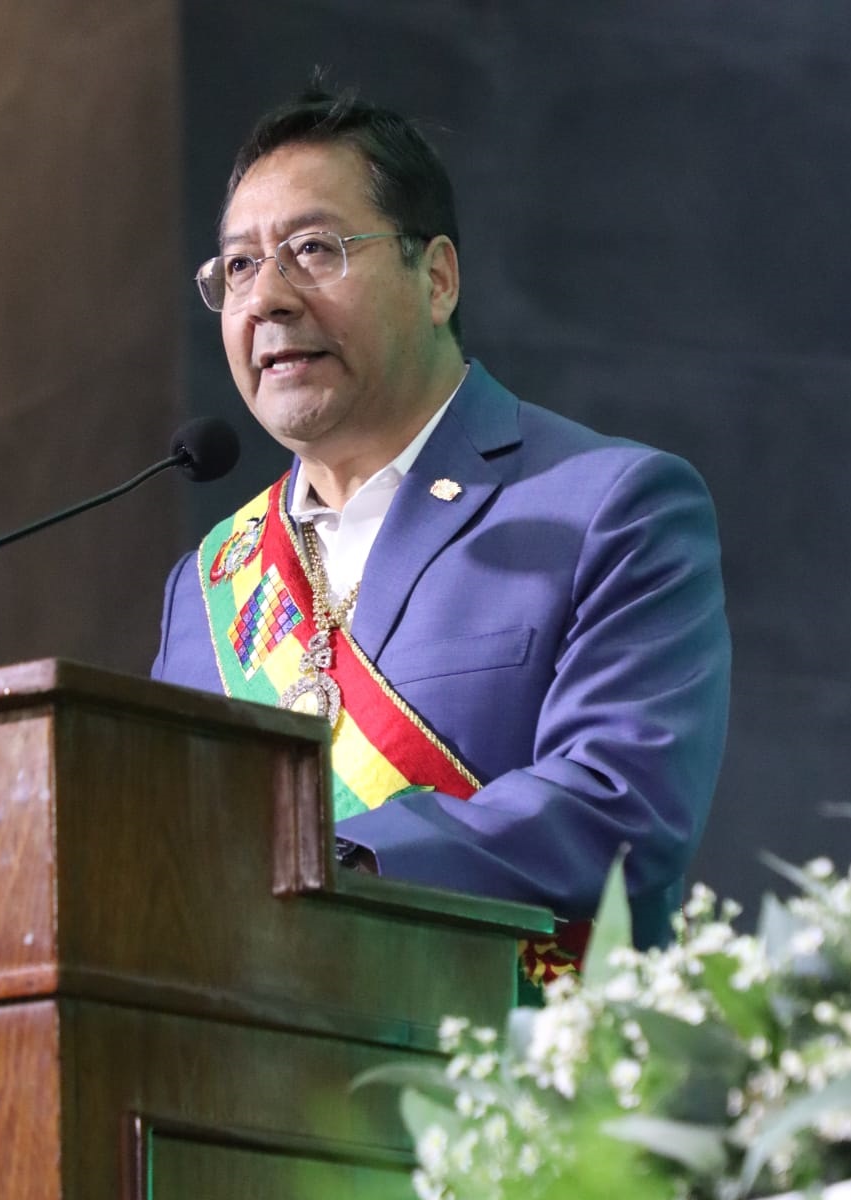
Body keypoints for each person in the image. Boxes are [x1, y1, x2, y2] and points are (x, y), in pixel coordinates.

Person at [152, 85, 731, 952]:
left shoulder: (608, 506)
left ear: (437, 279)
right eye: (238, 266)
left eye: (312, 249)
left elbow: (619, 806)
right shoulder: (208, 584)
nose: (266, 296)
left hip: (511, 1030)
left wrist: (326, 864)